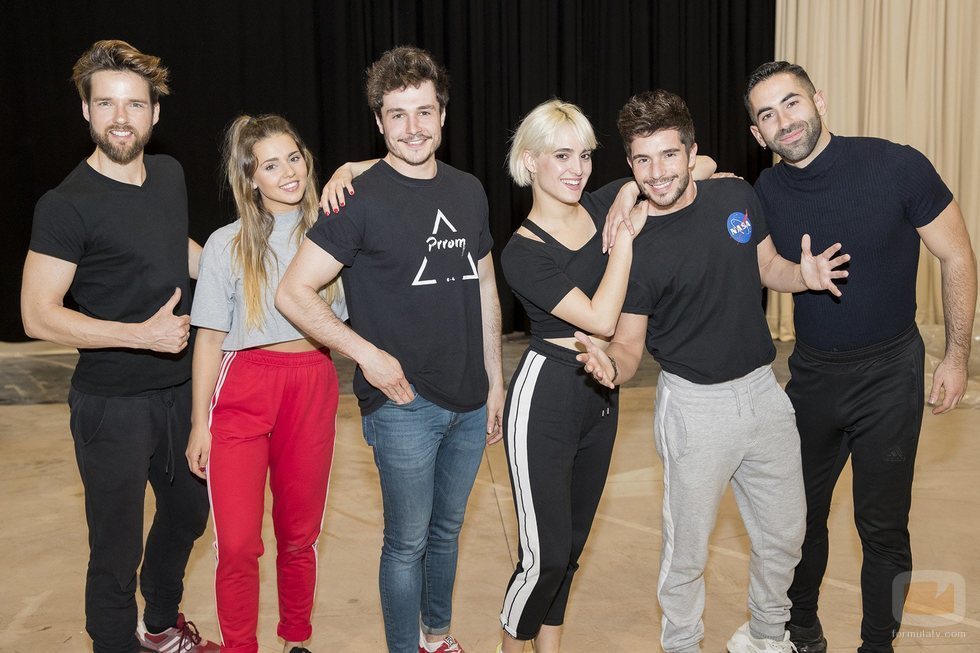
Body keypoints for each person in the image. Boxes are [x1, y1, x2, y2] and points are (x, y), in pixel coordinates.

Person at [577, 89, 849, 653]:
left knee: (787, 533)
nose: (657, 172)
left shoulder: (736, 195)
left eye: (668, 155)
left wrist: (804, 275)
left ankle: (766, 635)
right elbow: (628, 343)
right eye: (642, 160)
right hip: (694, 408)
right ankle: (682, 643)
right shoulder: (634, 246)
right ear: (629, 164)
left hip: (764, 394)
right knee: (687, 550)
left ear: (692, 152)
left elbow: (768, 265)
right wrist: (612, 368)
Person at [275, 46, 504, 653]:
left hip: (469, 399)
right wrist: (367, 356)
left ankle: (437, 638)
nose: (413, 127)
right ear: (379, 122)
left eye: (424, 112)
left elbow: (484, 285)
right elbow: (293, 292)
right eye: (397, 115)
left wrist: (494, 379)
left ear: (443, 114)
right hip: (402, 405)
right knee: (406, 543)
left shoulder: (469, 190)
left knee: (447, 532)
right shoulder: (357, 198)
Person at [743, 61, 978, 653]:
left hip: (890, 375)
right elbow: (761, 258)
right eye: (767, 115)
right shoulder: (764, 192)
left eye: (792, 103)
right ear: (757, 133)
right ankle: (803, 631)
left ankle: (879, 645)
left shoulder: (896, 165)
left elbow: (956, 254)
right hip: (813, 376)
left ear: (818, 100)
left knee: (884, 529)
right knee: (798, 520)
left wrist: (955, 357)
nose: (783, 121)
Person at [20, 40, 217, 653]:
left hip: (181, 391)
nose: (121, 118)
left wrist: (229, 275)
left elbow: (172, 245)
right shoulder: (65, 205)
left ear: (155, 112)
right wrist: (140, 336)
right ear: (86, 110)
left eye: (135, 104)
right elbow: (37, 314)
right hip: (112, 405)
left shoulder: (169, 174)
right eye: (106, 103)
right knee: (115, 549)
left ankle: (159, 626)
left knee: (188, 515)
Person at [186, 114, 345, 653]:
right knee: (236, 543)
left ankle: (295, 639)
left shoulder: (334, 234)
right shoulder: (225, 244)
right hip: (243, 388)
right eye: (270, 165)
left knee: (299, 535)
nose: (288, 173)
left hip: (313, 384)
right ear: (250, 178)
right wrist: (199, 423)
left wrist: (351, 170)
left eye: (294, 158)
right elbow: (209, 337)